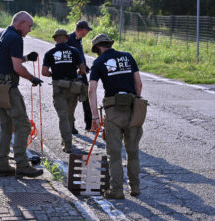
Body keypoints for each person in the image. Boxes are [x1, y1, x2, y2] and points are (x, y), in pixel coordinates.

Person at [0, 11, 43, 178]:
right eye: (29, 26)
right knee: (23, 125)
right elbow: (17, 68)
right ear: (21, 23)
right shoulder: (16, 38)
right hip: (9, 88)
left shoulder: (3, 34)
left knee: (7, 126)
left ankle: (2, 164)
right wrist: (32, 77)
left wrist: (26, 58)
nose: (29, 30)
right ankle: (22, 164)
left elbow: (6, 60)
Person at [89, 34, 143, 199]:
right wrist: (135, 102)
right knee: (133, 151)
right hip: (133, 109)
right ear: (109, 44)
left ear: (98, 48)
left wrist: (95, 117)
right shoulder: (127, 57)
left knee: (114, 153)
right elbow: (138, 83)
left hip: (113, 111)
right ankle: (135, 188)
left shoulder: (98, 62)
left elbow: (91, 90)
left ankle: (117, 190)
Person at [42, 29, 86, 153]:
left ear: (55, 39)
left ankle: (67, 145)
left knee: (62, 116)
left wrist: (54, 74)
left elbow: (44, 72)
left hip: (59, 87)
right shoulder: (74, 51)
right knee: (69, 114)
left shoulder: (50, 53)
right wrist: (76, 73)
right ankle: (68, 138)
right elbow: (82, 69)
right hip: (73, 87)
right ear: (66, 38)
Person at [66, 21, 92, 133]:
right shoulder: (69, 39)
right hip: (73, 74)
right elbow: (68, 57)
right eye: (87, 30)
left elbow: (79, 56)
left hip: (82, 73)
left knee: (87, 97)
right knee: (72, 100)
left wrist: (85, 67)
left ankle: (90, 124)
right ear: (82, 29)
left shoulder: (78, 39)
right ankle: (70, 126)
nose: (87, 33)